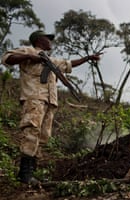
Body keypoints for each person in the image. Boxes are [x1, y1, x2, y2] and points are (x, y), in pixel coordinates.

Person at [1, 30, 100, 184]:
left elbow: (69, 64)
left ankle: (31, 172)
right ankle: (24, 174)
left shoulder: (51, 60)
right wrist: (29, 56)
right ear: (39, 39)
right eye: (48, 38)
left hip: (50, 103)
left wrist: (88, 58)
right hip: (35, 98)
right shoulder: (28, 50)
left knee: (43, 137)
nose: (50, 41)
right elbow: (7, 58)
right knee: (31, 132)